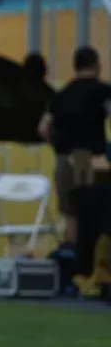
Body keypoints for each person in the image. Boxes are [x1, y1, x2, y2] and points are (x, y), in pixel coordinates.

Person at [38, 46, 111, 254]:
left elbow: (43, 128)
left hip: (64, 159)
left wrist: (58, 146)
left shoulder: (60, 95)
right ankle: (94, 263)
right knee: (98, 211)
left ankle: (72, 265)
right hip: (93, 161)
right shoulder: (103, 90)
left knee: (71, 213)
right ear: (97, 65)